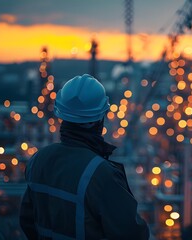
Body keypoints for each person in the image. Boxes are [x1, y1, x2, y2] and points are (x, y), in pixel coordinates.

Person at [19, 74, 150, 240]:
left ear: (62, 115)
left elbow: (27, 222)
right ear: (99, 119)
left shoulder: (38, 160)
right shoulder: (102, 174)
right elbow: (132, 235)